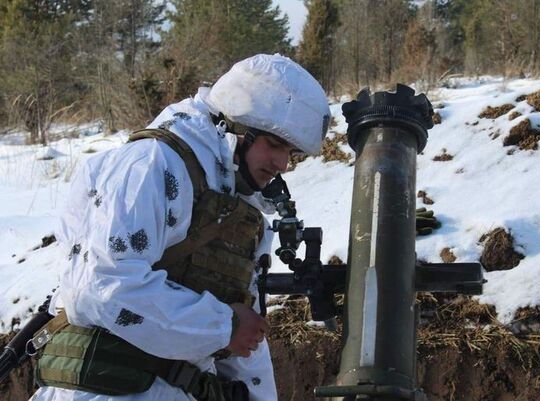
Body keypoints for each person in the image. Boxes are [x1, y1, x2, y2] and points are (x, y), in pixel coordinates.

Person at [29, 54, 331, 401]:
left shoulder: (239, 212)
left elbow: (244, 341)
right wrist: (222, 325)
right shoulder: (151, 165)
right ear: (234, 129)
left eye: (290, 152)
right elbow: (103, 286)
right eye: (274, 144)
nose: (281, 163)